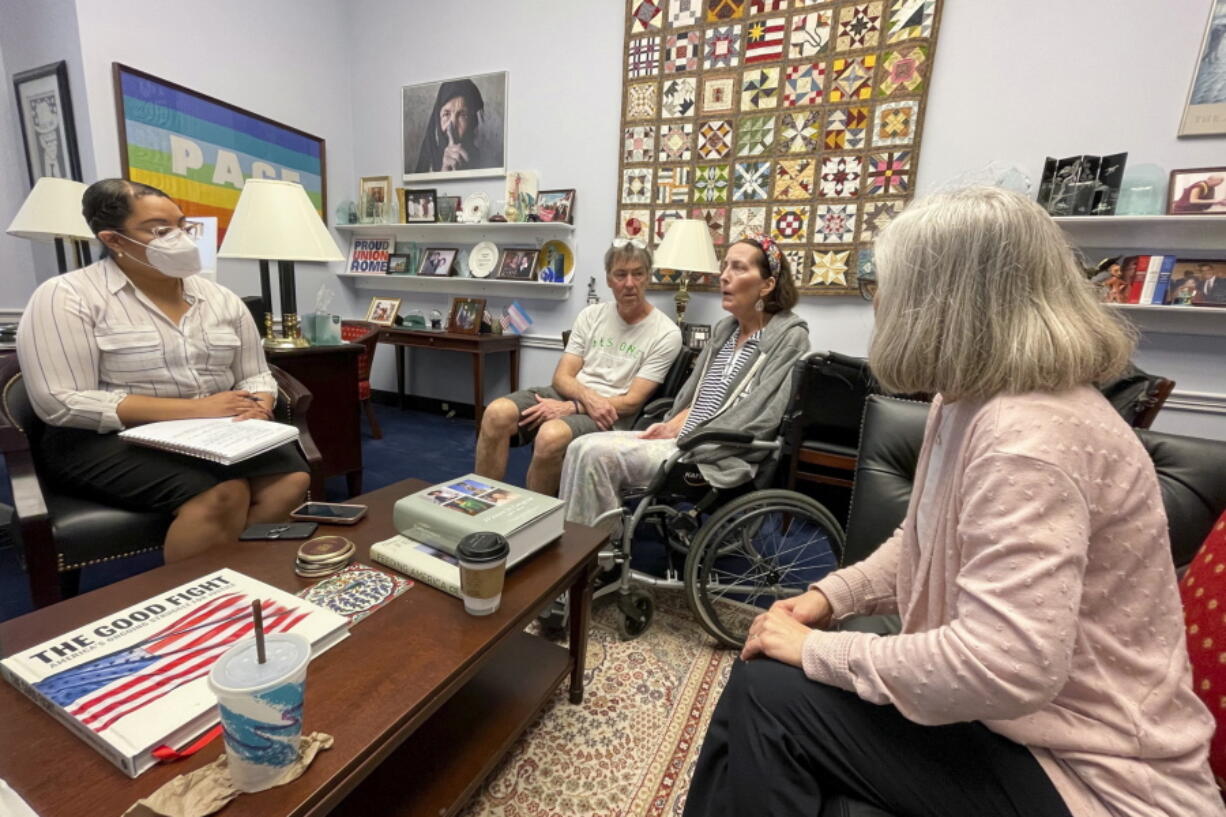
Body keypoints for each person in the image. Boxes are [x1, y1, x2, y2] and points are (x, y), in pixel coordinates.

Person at [683, 188, 1223, 817]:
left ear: (944, 301)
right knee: (762, 683)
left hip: (1093, 776)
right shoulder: (965, 400)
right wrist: (831, 596)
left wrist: (821, 650)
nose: (878, 300)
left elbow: (1008, 665)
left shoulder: (1030, 438)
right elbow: (921, 537)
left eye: (885, 283)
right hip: (1021, 728)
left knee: (770, 694)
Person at [15, 179, 310, 563]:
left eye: (182, 227)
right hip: (105, 440)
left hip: (215, 430)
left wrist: (257, 403)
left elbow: (255, 373)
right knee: (223, 493)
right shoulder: (66, 296)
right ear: (115, 240)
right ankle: (197, 601)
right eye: (160, 230)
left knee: (291, 480)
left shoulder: (219, 298)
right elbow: (61, 402)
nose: (181, 239)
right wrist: (198, 408)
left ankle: (244, 575)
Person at [559, 234, 808, 529]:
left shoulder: (789, 338)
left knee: (595, 456)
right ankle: (583, 548)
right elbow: (696, 399)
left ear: (767, 285)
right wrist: (671, 422)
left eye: (739, 268)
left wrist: (695, 440)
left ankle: (596, 557)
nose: (724, 276)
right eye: (725, 266)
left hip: (713, 454)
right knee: (581, 446)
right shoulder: (725, 331)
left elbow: (763, 415)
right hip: (682, 440)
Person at [474, 239, 682, 496]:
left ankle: (539, 520)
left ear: (648, 277)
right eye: (621, 274)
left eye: (638, 274)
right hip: (571, 394)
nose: (630, 283)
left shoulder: (666, 333)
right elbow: (562, 377)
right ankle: (482, 501)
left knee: (550, 435)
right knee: (496, 413)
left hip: (612, 415)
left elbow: (631, 402)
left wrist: (573, 407)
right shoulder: (590, 315)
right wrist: (581, 399)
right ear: (608, 279)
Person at [414, 79, 488, 174]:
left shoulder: (480, 161)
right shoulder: (429, 156)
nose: (451, 126)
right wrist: (444, 172)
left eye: (462, 115)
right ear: (438, 118)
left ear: (471, 121)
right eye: (446, 114)